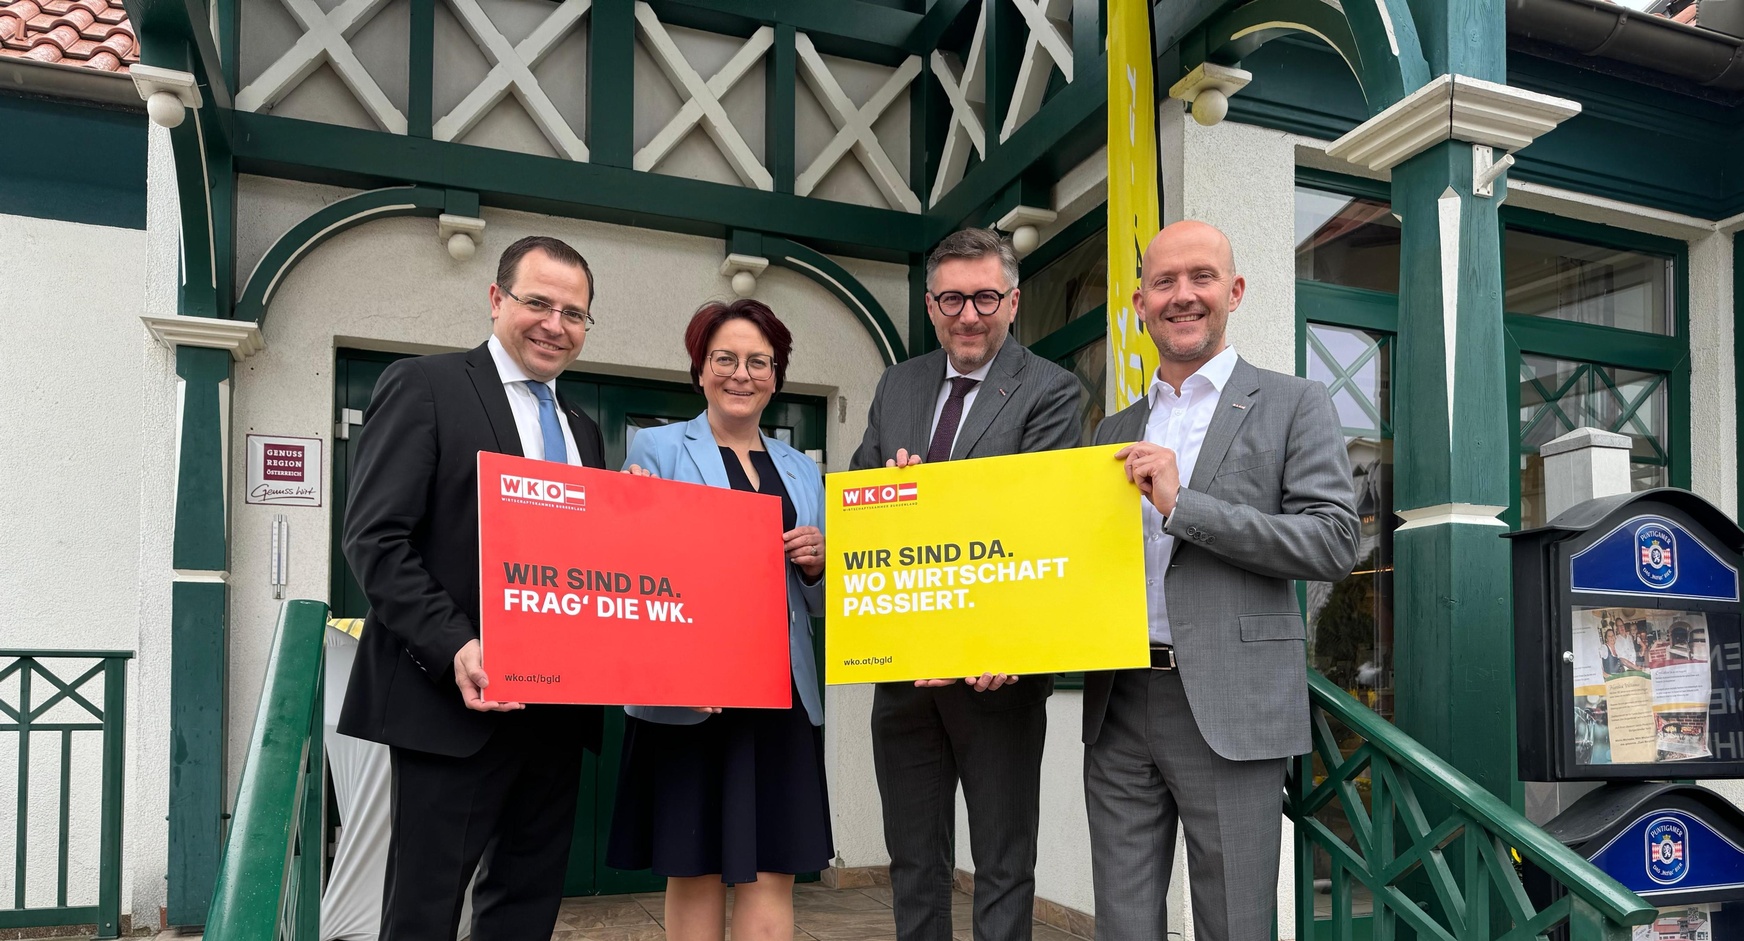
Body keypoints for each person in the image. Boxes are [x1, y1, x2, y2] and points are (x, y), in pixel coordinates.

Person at [1084, 220, 1359, 941]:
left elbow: (1334, 539)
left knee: (1235, 924)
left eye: (1201, 277)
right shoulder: (1109, 430)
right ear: (1139, 302)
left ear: (1233, 291)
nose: (1183, 295)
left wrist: (1185, 507)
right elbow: (1067, 563)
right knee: (1122, 924)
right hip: (1118, 701)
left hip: (1232, 704)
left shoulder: (1294, 402)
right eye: (1165, 282)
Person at [338, 236, 607, 941]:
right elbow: (375, 539)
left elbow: (587, 568)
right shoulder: (426, 386)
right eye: (538, 303)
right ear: (496, 300)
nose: (555, 324)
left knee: (525, 908)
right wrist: (456, 644)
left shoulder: (584, 429)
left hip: (555, 713)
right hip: (449, 705)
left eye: (574, 313)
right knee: (422, 914)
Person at [850, 227, 1081, 941]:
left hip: (995, 676)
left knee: (1004, 861)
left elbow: (1038, 522)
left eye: (985, 296)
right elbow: (859, 494)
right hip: (907, 671)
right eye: (952, 297)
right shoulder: (900, 382)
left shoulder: (1052, 389)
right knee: (913, 858)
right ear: (930, 304)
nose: (968, 314)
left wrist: (928, 498)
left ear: (1013, 301)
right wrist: (886, 495)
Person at [605, 298, 832, 941]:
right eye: (724, 359)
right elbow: (630, 569)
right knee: (695, 866)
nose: (742, 373)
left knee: (773, 867)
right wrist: (628, 512)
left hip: (780, 692)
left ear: (776, 375)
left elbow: (817, 604)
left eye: (758, 361)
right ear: (700, 371)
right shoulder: (653, 447)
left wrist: (816, 568)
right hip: (691, 692)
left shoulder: (801, 468)